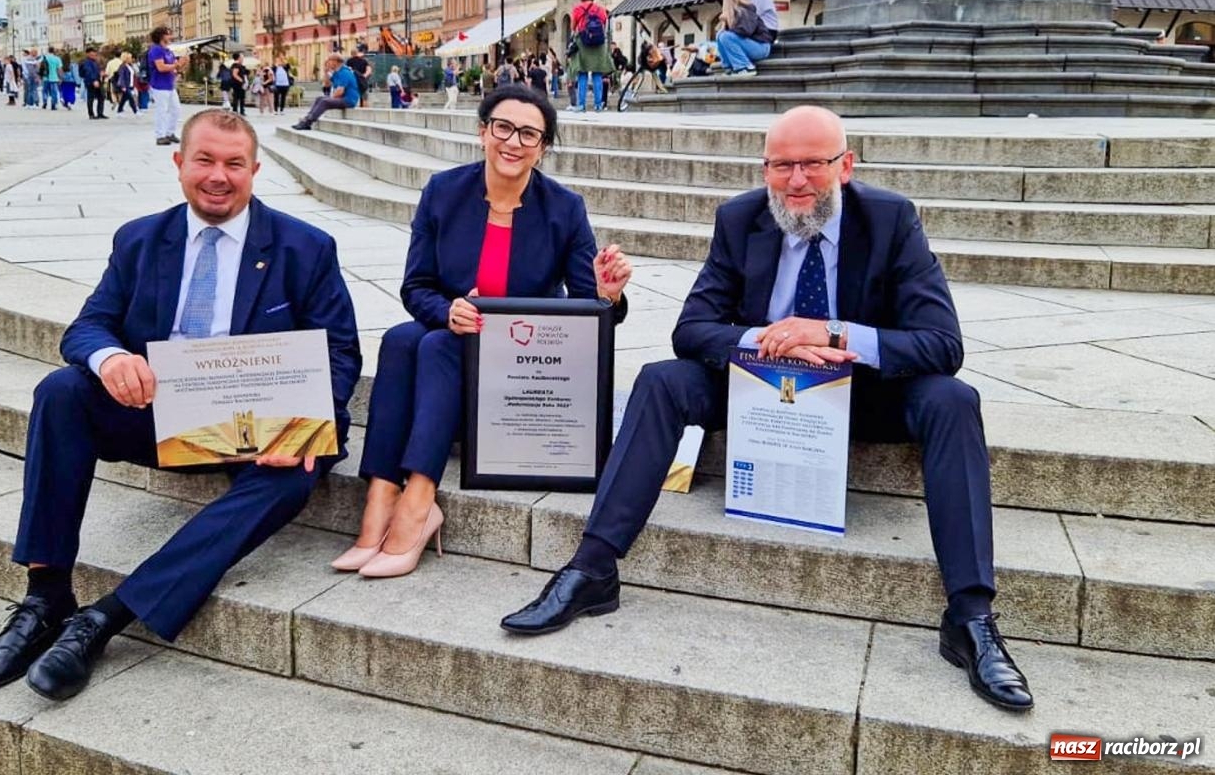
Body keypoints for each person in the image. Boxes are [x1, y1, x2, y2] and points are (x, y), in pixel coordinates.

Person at [500, 105, 1032, 713]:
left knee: (954, 401)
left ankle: (970, 615)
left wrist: (831, 334)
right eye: (782, 166)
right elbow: (691, 329)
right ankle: (593, 569)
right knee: (662, 380)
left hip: (860, 395)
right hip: (760, 389)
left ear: (846, 166)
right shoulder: (741, 218)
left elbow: (942, 344)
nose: (796, 180)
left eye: (813, 164)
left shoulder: (891, 220)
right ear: (765, 170)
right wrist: (771, 340)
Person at [0, 110, 361, 701]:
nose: (218, 176)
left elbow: (341, 351)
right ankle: (45, 598)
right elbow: (88, 326)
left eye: (234, 164)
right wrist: (110, 359)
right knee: (61, 392)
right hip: (159, 413)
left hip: (256, 424)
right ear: (179, 163)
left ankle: (105, 619)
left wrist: (302, 426)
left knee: (294, 475)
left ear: (254, 170)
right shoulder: (141, 239)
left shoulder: (304, 247)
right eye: (205, 160)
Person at [338, 85, 632, 578]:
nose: (513, 142)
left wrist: (608, 296)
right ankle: (381, 493)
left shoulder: (564, 208)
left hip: (521, 358)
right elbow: (416, 286)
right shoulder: (443, 192)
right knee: (401, 339)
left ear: (543, 147)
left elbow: (590, 313)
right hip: (455, 335)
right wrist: (446, 309)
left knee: (436, 344)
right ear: (482, 132)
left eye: (529, 134)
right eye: (503, 128)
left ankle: (419, 498)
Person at [568, 0, 613, 112]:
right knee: (597, 73)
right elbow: (604, 22)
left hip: (583, 42)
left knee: (582, 73)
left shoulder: (578, 9)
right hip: (598, 43)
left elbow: (573, 27)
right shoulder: (600, 9)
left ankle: (581, 105)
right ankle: (598, 105)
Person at [715, 0, 774, 77]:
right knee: (720, 35)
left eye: (724, 1)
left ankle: (745, 67)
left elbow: (745, 31)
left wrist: (728, 23)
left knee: (725, 36)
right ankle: (729, 68)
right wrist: (725, 24)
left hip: (762, 47)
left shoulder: (745, 11)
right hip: (753, 45)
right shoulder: (736, 13)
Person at [289, 53, 359, 131]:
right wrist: (326, 72)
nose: (327, 63)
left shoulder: (345, 72)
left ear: (335, 62)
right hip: (342, 98)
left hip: (349, 100)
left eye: (329, 60)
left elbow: (340, 91)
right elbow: (327, 85)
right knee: (319, 98)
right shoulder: (337, 73)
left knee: (324, 101)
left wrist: (329, 99)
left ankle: (307, 122)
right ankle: (306, 119)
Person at [147, 26, 180, 144]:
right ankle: (160, 135)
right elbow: (161, 67)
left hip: (169, 85)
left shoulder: (168, 51)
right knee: (162, 111)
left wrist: (181, 65)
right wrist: (176, 65)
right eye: (168, 34)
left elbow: (174, 67)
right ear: (161, 36)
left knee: (176, 109)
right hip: (159, 85)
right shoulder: (156, 50)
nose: (171, 36)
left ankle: (170, 132)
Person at [79, 48, 106, 120]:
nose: (94, 56)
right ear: (87, 54)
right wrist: (94, 80)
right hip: (91, 82)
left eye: (95, 54)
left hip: (97, 81)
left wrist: (101, 74)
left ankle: (100, 113)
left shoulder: (95, 62)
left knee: (101, 97)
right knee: (91, 98)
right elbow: (88, 72)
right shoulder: (86, 63)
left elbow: (96, 71)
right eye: (92, 55)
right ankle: (91, 114)